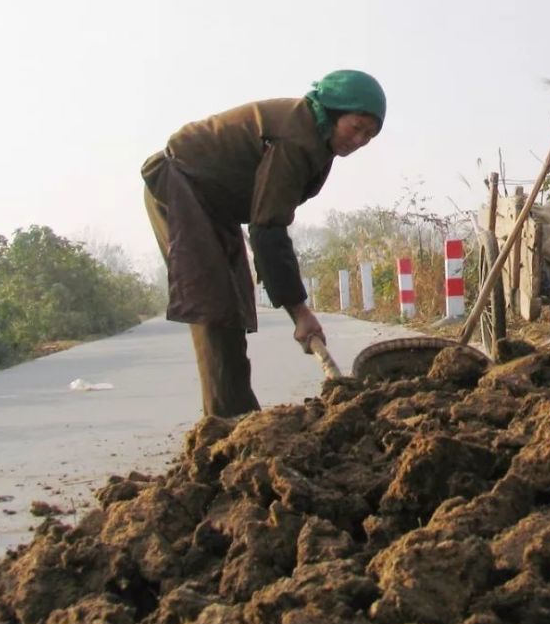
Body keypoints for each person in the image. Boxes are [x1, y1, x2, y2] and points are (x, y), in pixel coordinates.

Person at [141, 69, 385, 417]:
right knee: (215, 305)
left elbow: (268, 220)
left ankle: (237, 413)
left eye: (370, 135)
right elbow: (268, 229)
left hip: (215, 203)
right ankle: (227, 423)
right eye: (356, 126)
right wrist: (300, 313)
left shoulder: (317, 138)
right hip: (180, 186)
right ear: (333, 111)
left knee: (235, 302)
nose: (359, 140)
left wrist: (296, 308)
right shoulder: (296, 138)